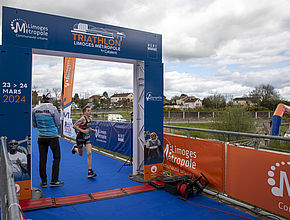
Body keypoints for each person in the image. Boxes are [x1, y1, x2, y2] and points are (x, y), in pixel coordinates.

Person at [32, 92, 63, 187]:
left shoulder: (35, 109)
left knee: (42, 159)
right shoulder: (52, 108)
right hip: (53, 137)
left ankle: (44, 181)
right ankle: (54, 180)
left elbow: (34, 124)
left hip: (41, 137)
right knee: (56, 158)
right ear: (49, 99)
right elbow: (58, 123)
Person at [72, 105, 97, 178]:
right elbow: (74, 126)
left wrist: (91, 130)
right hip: (80, 138)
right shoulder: (82, 119)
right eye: (88, 111)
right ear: (84, 112)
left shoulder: (90, 119)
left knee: (89, 153)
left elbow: (87, 126)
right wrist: (83, 131)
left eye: (90, 110)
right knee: (80, 154)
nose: (90, 112)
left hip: (86, 138)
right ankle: (75, 148)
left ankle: (90, 171)